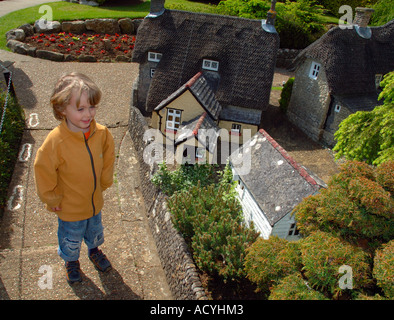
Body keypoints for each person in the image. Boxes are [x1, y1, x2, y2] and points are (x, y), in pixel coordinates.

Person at [34, 72, 115, 284]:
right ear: (62, 109)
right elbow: (43, 170)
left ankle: (94, 250)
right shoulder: (56, 142)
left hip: (94, 202)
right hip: (69, 207)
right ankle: (71, 262)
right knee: (71, 238)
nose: (88, 114)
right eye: (80, 109)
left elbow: (108, 156)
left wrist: (105, 180)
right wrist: (52, 199)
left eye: (92, 106)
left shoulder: (102, 133)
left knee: (95, 230)